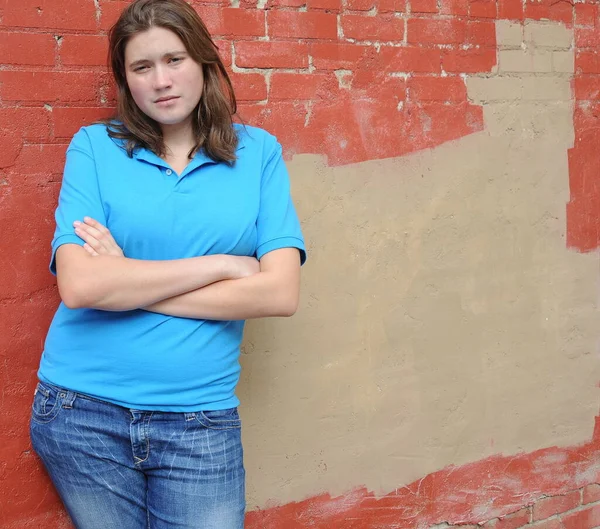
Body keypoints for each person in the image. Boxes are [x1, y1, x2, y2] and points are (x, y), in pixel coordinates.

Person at [29, 0, 306, 528]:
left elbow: (279, 294)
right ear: (125, 79)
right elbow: (81, 288)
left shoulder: (260, 154)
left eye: (174, 59)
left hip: (200, 420)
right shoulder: (94, 148)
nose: (161, 80)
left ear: (203, 63)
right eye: (141, 67)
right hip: (81, 412)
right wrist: (223, 264)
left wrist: (127, 279)